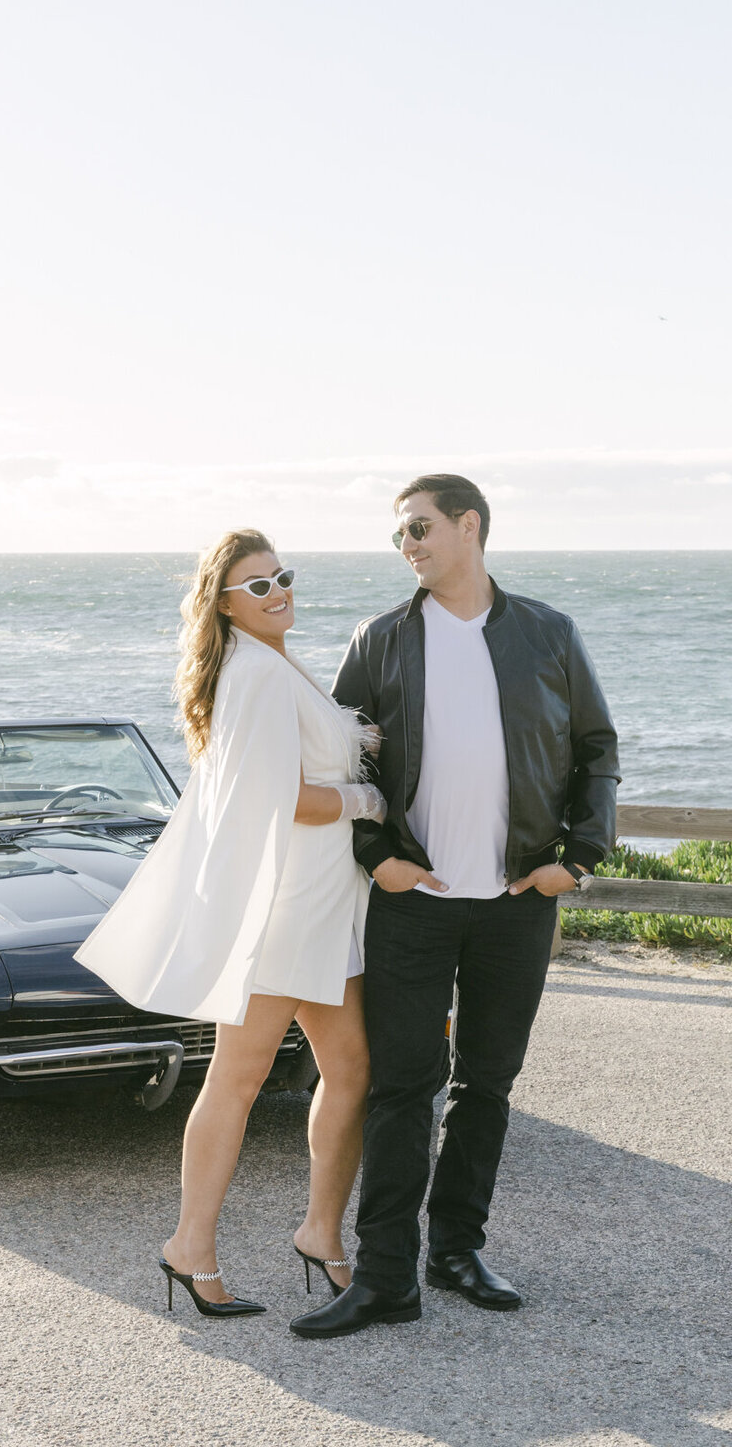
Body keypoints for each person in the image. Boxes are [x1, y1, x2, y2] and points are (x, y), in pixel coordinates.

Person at [291, 474, 619, 1340]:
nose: (408, 544)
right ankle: (387, 1275)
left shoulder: (548, 633)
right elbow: (342, 762)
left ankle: (458, 1250)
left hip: (517, 903)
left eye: (420, 528)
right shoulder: (380, 639)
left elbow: (596, 748)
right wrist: (378, 856)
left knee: (488, 1084)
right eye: (400, 534)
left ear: (469, 526)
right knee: (403, 1087)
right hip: (415, 904)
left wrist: (576, 859)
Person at [76, 529, 386, 1319]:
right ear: (222, 602)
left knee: (350, 1072)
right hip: (287, 910)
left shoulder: (273, 661)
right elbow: (279, 799)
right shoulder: (253, 674)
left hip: (324, 903)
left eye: (282, 576)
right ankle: (190, 1247)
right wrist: (368, 801)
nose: (278, 591)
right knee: (238, 1080)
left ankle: (322, 1232)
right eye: (258, 585)